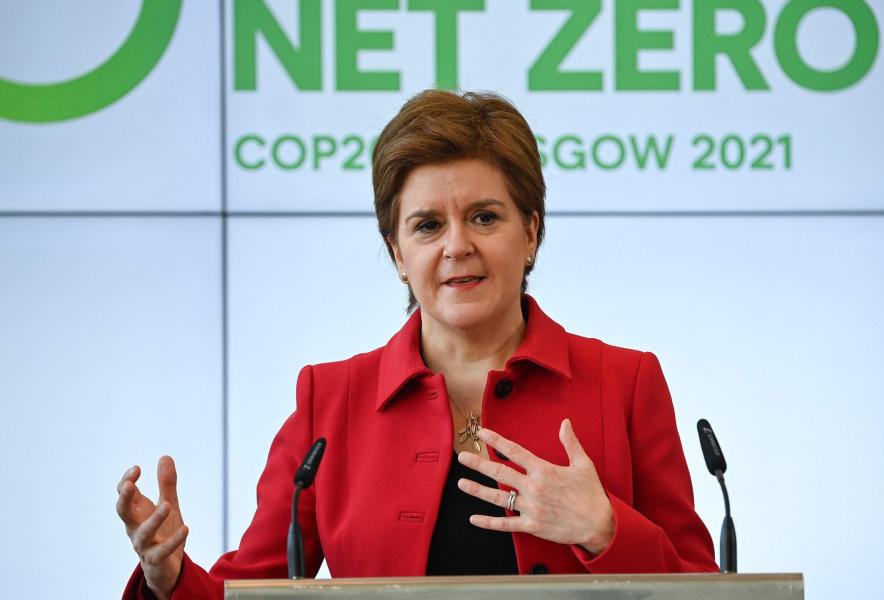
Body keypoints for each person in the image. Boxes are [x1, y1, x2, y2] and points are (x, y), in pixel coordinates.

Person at [116, 89, 718, 600]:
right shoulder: (331, 398)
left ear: (531, 232)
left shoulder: (625, 381)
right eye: (427, 225)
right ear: (398, 254)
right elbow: (252, 589)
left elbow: (705, 588)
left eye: (485, 217)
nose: (456, 246)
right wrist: (167, 576)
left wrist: (605, 528)